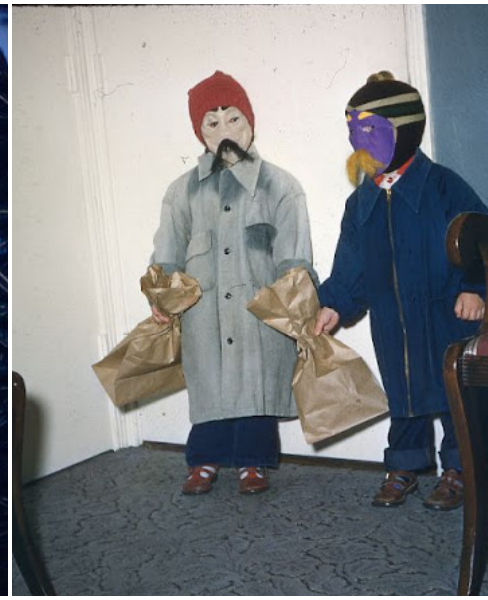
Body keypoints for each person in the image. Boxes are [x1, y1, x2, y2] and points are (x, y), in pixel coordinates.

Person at [313, 71, 488, 511]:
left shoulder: (443, 185)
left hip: (446, 311)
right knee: (403, 392)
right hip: (391, 316)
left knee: (454, 392)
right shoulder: (361, 202)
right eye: (354, 130)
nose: (360, 141)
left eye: (370, 129)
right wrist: (334, 303)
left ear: (405, 129)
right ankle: (405, 465)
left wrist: (473, 286)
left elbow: (481, 238)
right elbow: (350, 263)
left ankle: (459, 469)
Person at [150, 71, 314, 496]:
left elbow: (295, 254)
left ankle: (252, 463)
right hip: (204, 314)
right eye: (213, 123)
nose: (226, 132)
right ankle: (202, 461)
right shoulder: (181, 192)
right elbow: (167, 251)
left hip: (257, 311)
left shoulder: (281, 186)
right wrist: (161, 295)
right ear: (199, 133)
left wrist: (298, 307)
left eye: (235, 119)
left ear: (251, 122)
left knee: (255, 382)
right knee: (209, 384)